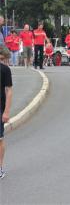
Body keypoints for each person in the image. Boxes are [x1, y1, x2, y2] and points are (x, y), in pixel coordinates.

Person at [0, 46, 13, 179]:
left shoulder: (4, 70)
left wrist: (6, 111)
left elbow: (9, 90)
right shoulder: (5, 69)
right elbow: (9, 91)